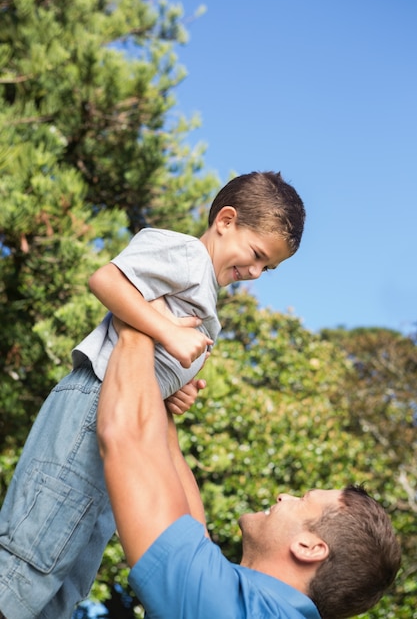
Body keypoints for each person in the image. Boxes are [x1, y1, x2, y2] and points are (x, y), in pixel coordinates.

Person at [0, 171, 306, 619]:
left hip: (121, 430)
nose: (257, 273)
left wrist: (172, 391)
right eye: (258, 255)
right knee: (37, 551)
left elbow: (156, 364)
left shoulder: (205, 292)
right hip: (92, 404)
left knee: (69, 573)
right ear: (225, 220)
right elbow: (106, 281)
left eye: (268, 268)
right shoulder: (184, 253)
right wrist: (165, 331)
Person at [97, 321, 401, 619]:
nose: (284, 496)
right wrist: (168, 388)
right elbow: (187, 526)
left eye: (303, 500)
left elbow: (126, 438)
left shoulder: (229, 608)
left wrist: (140, 320)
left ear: (309, 547)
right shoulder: (251, 606)